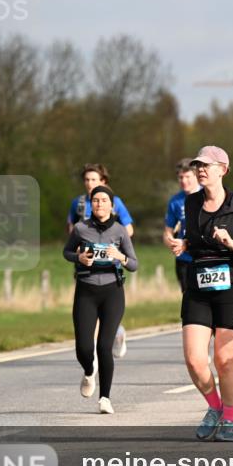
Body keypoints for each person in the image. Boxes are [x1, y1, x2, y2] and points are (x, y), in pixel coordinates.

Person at [171, 146, 233, 442]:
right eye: (197, 165)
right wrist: (185, 245)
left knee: (224, 361)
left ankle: (231, 418)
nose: (200, 170)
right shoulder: (191, 203)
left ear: (223, 169)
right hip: (198, 286)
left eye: (206, 165)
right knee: (195, 359)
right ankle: (215, 408)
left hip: (231, 290)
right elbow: (195, 240)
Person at [63, 185, 138, 414]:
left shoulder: (119, 231)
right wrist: (79, 258)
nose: (99, 204)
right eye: (95, 200)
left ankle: (105, 398)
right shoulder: (80, 228)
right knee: (84, 348)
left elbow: (134, 264)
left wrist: (121, 257)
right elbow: (66, 252)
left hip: (112, 292)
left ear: (111, 205)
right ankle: (88, 372)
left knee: (104, 346)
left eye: (104, 200)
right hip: (86, 291)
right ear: (91, 204)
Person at [68, 163, 135, 359]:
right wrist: (80, 246)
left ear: (103, 181)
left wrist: (114, 244)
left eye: (94, 180)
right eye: (87, 180)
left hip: (109, 266)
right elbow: (71, 230)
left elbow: (128, 229)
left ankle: (113, 335)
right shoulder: (78, 203)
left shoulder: (114, 202)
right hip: (84, 264)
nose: (90, 184)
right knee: (89, 309)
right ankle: (95, 353)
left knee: (105, 309)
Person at [163, 158, 200, 292]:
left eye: (187, 176)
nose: (184, 181)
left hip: (204, 256)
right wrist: (173, 243)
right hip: (184, 259)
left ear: (196, 175)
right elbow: (167, 232)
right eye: (180, 177)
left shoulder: (208, 194)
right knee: (188, 300)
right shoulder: (175, 201)